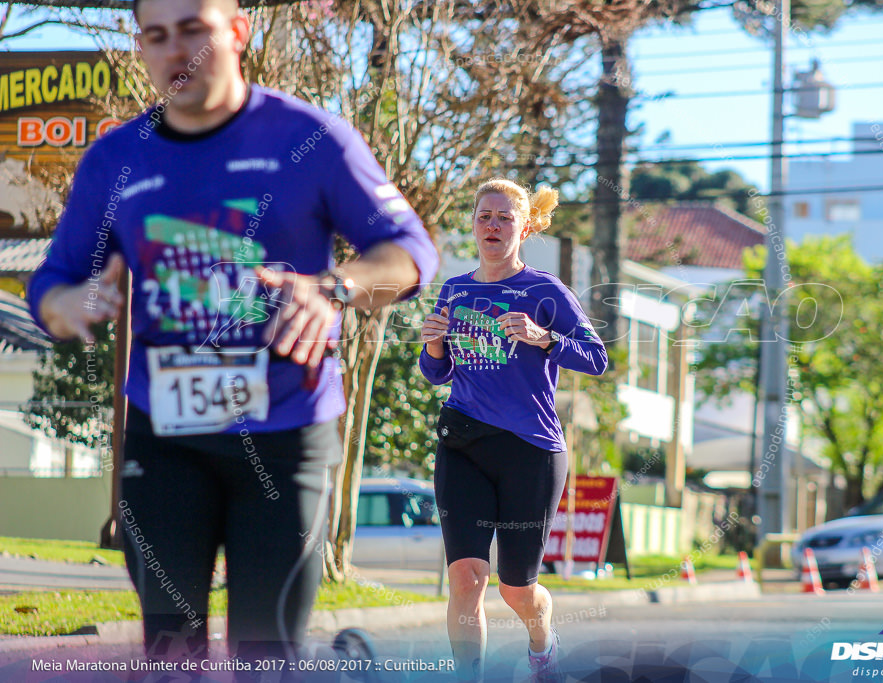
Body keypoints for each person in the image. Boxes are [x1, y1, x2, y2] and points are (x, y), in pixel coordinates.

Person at [28, 0, 437, 668]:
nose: (174, 52)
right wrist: (69, 301)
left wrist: (335, 288)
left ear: (238, 31)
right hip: (164, 437)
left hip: (283, 434)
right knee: (170, 654)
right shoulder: (115, 160)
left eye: (193, 30)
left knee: (263, 654)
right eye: (155, 37)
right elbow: (53, 280)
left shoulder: (311, 140)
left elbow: (410, 251)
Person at [419, 177, 608, 682]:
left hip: (531, 451)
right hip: (463, 443)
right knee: (466, 576)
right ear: (474, 225)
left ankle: (542, 642)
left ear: (524, 227)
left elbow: (597, 358)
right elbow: (437, 372)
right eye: (485, 216)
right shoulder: (455, 289)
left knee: (515, 588)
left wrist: (545, 338)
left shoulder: (545, 290)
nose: (493, 226)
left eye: (505, 218)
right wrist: (433, 346)